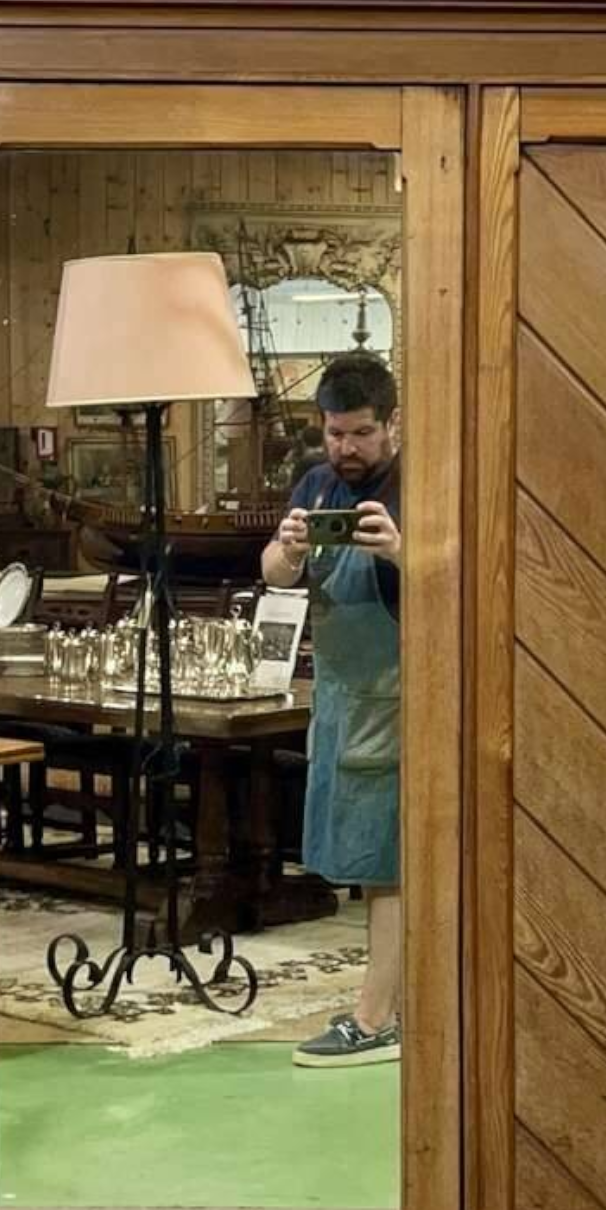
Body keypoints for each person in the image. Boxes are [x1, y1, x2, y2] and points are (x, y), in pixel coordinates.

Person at [260, 354, 404, 1068]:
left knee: (388, 861)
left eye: (361, 434)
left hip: (394, 696)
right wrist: (286, 553)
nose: (346, 449)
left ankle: (376, 1019)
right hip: (339, 696)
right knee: (357, 854)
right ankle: (389, 1003)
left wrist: (401, 552)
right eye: (334, 433)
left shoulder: (413, 486)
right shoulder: (317, 483)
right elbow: (274, 572)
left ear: (391, 425)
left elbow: (459, 583)